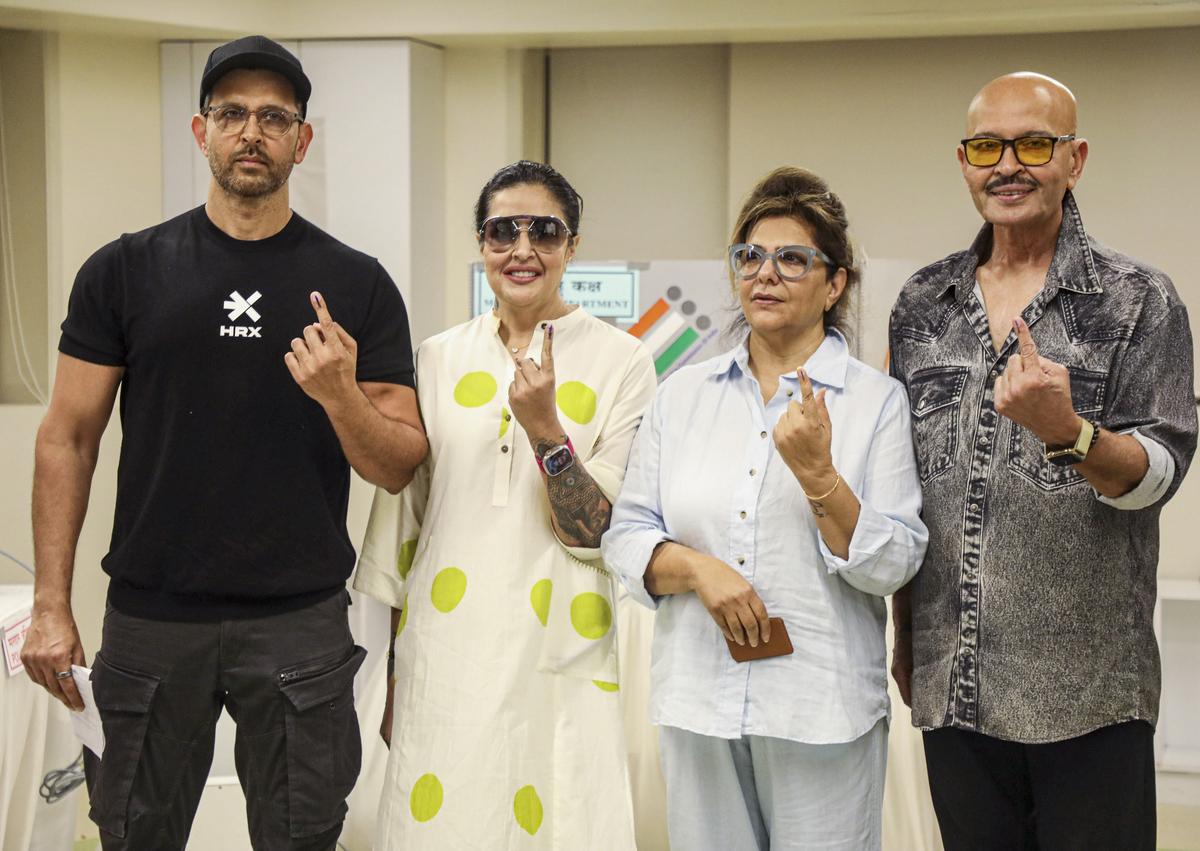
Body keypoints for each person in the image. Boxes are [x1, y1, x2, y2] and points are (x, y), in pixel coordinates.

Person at [19, 35, 428, 850]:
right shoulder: (126, 271)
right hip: (149, 615)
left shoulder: (356, 282)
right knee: (133, 831)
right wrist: (52, 603)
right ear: (200, 130)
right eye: (231, 113)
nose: (252, 131)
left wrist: (341, 395)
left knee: (302, 834)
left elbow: (398, 462)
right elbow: (67, 437)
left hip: (300, 620)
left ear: (301, 141)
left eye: (274, 117)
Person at [888, 72, 1196, 850]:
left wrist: (1071, 431)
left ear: (1076, 158)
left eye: (1033, 143)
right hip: (952, 686)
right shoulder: (923, 304)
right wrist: (903, 638)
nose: (1008, 165)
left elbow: (1160, 470)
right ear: (964, 160)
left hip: (1088, 694)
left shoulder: (1136, 300)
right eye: (987, 146)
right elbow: (903, 485)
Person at [602, 166, 928, 851]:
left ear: (835, 282)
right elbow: (626, 536)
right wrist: (693, 568)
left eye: (791, 258)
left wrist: (819, 477)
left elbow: (894, 561)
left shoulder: (875, 402)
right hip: (698, 703)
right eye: (748, 256)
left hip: (819, 710)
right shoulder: (682, 396)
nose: (764, 273)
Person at [353, 160, 656, 849]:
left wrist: (546, 428)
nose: (522, 249)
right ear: (481, 244)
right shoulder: (435, 358)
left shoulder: (623, 361)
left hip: (561, 647)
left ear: (572, 245)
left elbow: (600, 530)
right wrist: (395, 676)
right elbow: (408, 525)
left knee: (560, 819)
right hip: (445, 651)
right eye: (502, 231)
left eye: (544, 230)